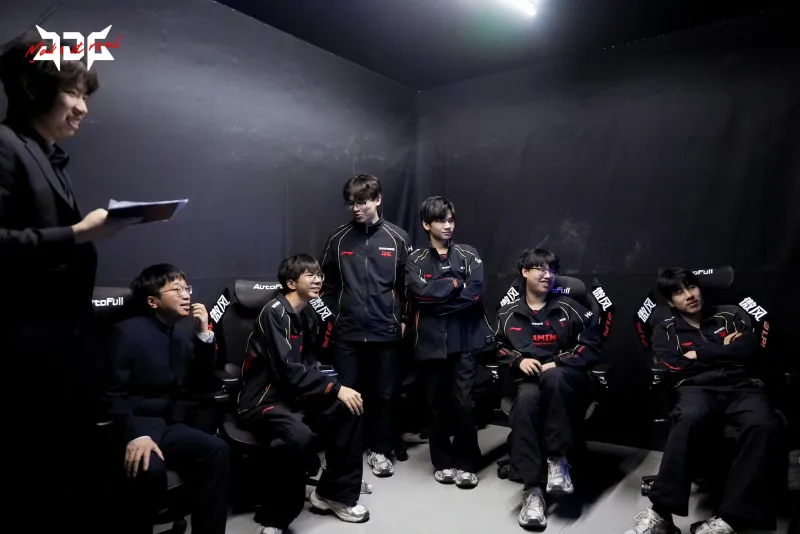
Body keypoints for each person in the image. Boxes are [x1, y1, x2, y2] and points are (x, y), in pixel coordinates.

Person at [0, 31, 125, 524]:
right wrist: (76, 234)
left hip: (60, 352)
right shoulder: (5, 146)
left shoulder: (45, 154)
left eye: (85, 96)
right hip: (25, 357)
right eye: (73, 93)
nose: (83, 108)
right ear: (33, 87)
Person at [625, 268, 784, 534]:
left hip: (743, 386)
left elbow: (749, 350)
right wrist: (725, 351)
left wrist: (699, 354)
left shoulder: (731, 316)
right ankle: (661, 515)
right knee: (689, 417)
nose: (689, 295)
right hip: (694, 388)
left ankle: (731, 519)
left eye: (692, 287)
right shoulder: (664, 329)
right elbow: (673, 365)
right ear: (670, 301)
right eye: (678, 292)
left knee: (764, 425)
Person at [238, 254, 369, 534]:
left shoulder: (307, 313)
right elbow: (288, 369)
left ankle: (333, 494)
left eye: (319, 275)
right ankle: (275, 520)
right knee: (298, 437)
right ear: (290, 283)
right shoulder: (274, 312)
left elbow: (309, 365)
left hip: (294, 396)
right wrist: (335, 388)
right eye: (310, 275)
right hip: (264, 401)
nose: (318, 280)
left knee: (350, 407)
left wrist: (334, 390)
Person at [105, 264, 230, 534]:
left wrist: (203, 334)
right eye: (177, 289)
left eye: (187, 288)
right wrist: (135, 434)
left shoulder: (181, 341)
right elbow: (110, 393)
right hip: (132, 426)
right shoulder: (125, 333)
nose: (186, 295)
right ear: (153, 301)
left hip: (166, 425)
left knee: (217, 449)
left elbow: (199, 384)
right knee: (149, 469)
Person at [495, 248, 602, 529]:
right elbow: (493, 347)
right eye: (540, 268)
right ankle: (533, 490)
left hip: (568, 381)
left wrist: (558, 362)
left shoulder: (571, 308)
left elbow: (592, 345)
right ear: (524, 272)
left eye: (552, 270)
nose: (548, 275)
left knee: (553, 377)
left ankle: (557, 460)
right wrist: (517, 360)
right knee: (526, 400)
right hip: (528, 383)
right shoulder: (507, 313)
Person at [318, 173, 412, 477]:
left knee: (384, 395)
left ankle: (380, 450)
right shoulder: (338, 238)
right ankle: (346, 452)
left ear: (378, 199)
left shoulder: (398, 238)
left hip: (386, 332)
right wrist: (332, 317)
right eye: (351, 203)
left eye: (362, 202)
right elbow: (324, 285)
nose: (356, 209)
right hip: (348, 332)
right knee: (348, 394)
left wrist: (404, 319)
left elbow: (408, 287)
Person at [405, 196, 495, 488]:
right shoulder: (415, 259)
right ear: (426, 224)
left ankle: (467, 463)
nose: (448, 225)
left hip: (465, 340)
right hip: (430, 343)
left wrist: (439, 299)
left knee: (464, 404)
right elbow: (420, 295)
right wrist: (455, 284)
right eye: (441, 220)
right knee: (435, 404)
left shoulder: (469, 254)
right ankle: (442, 462)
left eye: (451, 219)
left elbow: (475, 293)